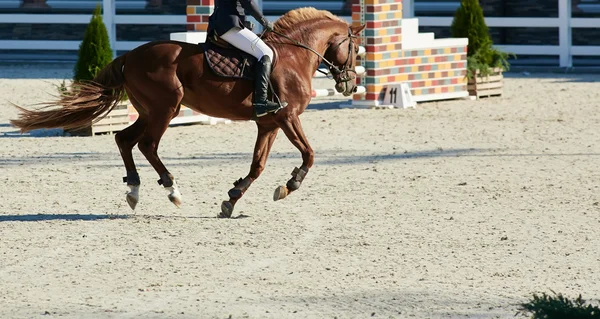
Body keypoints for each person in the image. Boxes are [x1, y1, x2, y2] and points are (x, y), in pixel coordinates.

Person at [207, 0, 286, 118]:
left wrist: (243, 23)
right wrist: (263, 21)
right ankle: (261, 102)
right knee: (266, 52)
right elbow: (248, 2)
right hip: (229, 25)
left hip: (222, 22)